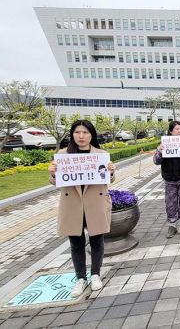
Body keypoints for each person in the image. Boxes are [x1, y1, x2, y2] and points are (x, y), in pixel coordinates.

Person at [48, 119, 116, 297]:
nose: (81, 136)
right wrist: (53, 173)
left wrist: (111, 171)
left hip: (95, 203)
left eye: (85, 132)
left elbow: (108, 180)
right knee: (76, 243)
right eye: (77, 132)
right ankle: (80, 278)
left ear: (91, 135)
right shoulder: (63, 155)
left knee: (97, 241)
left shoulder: (101, 154)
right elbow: (55, 182)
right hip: (73, 205)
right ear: (72, 134)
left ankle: (95, 274)